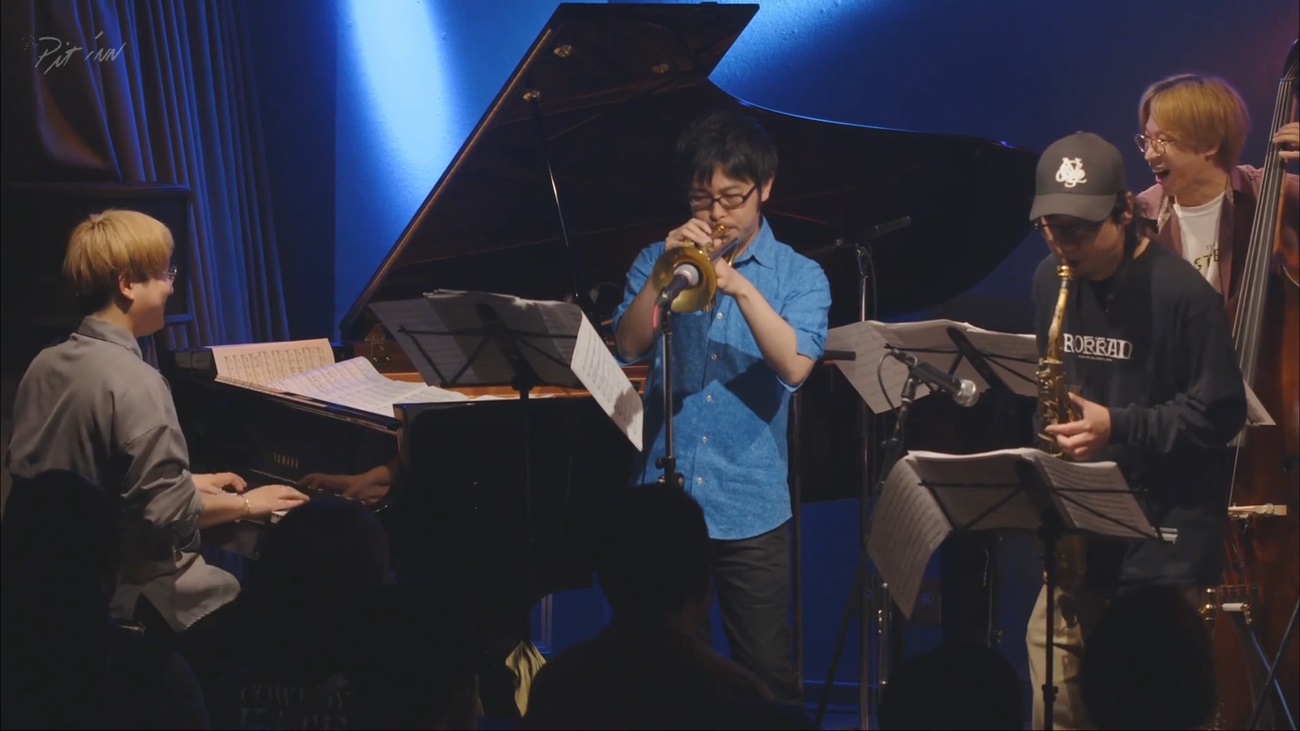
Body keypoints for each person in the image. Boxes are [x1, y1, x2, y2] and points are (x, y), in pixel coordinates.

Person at [4, 209, 309, 666]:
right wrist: (250, 504)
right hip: (127, 590)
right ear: (128, 283)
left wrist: (190, 482)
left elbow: (79, 477)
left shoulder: (45, 363)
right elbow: (166, 514)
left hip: (49, 587)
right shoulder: (137, 382)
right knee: (258, 613)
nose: (170, 287)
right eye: (165, 274)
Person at [1024, 132, 1247, 730]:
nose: (1062, 244)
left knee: (1149, 709)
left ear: (1124, 212)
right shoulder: (1049, 280)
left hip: (1160, 537)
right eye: (1050, 228)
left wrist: (1118, 425)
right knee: (1053, 698)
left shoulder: (1183, 294)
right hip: (1080, 529)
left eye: (1077, 230)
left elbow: (1220, 414)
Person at [611, 109, 831, 705]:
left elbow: (794, 366)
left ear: (766, 188)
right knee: (665, 675)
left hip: (749, 503)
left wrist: (738, 285)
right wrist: (662, 274)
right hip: (664, 501)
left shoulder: (800, 276)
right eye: (701, 199)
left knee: (766, 675)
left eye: (732, 198)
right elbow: (628, 344)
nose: (715, 215)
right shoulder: (658, 259)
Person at [1135, 73, 1299, 306]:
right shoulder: (1142, 215)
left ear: (1210, 144)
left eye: (1163, 141)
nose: (1150, 155)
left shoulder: (1279, 193)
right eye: (1147, 139)